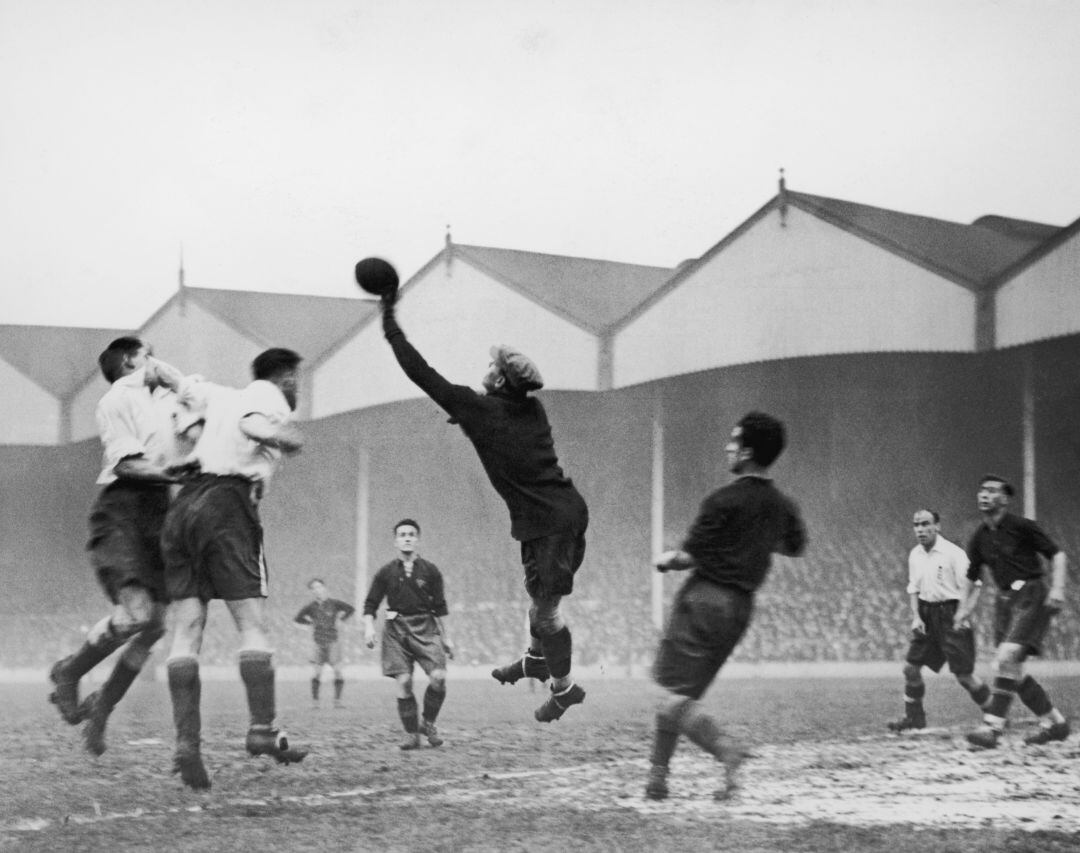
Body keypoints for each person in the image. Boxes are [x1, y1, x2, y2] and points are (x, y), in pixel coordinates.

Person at [378, 289, 589, 723]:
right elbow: (499, 422)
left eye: (492, 367)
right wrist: (470, 412)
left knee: (547, 614)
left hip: (550, 522)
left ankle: (564, 690)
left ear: (501, 381)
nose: (486, 370)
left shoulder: (482, 411)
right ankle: (534, 661)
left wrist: (390, 325)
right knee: (538, 605)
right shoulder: (531, 410)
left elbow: (423, 374)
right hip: (553, 516)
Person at [160, 347, 308, 790]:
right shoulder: (268, 399)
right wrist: (285, 437)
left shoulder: (218, 394)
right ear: (284, 378)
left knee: (187, 629)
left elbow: (175, 380)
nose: (297, 387)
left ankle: (187, 743)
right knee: (251, 624)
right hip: (226, 505)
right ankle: (262, 730)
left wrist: (152, 369)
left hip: (184, 506)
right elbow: (252, 424)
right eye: (296, 379)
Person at [646, 412, 806, 802]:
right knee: (682, 697)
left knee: (670, 696)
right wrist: (755, 542)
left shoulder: (722, 500)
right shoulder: (783, 506)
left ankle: (726, 750)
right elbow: (794, 546)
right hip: (739, 609)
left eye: (734, 441)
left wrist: (666, 560)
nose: (727, 447)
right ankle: (657, 779)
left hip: (704, 599)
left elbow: (687, 558)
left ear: (748, 452)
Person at [47, 337, 187, 757]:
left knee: (157, 624)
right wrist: (180, 472)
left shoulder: (165, 398)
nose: (159, 360)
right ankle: (69, 674)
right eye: (150, 353)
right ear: (130, 360)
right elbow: (128, 464)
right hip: (123, 508)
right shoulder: (117, 399)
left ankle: (102, 710)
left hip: (159, 511)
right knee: (135, 616)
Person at [961, 474, 1071, 749]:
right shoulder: (979, 537)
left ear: (1005, 499)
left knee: (1007, 656)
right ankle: (1055, 723)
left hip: (1031, 592)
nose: (984, 495)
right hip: (1004, 600)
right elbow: (973, 577)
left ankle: (993, 727)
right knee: (1011, 670)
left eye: (991, 491)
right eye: (981, 490)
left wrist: (1057, 588)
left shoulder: (1022, 526)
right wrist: (963, 609)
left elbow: (1056, 554)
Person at [887, 509, 991, 732]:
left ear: (937, 526)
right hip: (927, 614)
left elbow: (976, 586)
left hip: (951, 613)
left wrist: (964, 613)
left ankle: (995, 715)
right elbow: (913, 589)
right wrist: (916, 616)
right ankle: (914, 719)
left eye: (925, 524)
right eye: (916, 525)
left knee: (964, 675)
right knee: (910, 669)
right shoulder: (914, 554)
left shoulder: (953, 553)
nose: (920, 529)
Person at [363, 519, 453, 749]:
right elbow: (371, 604)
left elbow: (441, 606)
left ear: (417, 539)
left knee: (439, 677)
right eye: (402, 534)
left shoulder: (431, 571)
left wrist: (447, 637)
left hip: (426, 626)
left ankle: (428, 723)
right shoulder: (385, 572)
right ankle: (411, 734)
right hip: (396, 629)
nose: (407, 538)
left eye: (411, 534)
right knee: (404, 681)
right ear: (395, 541)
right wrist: (369, 628)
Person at [294, 578, 355, 708]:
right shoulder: (310, 607)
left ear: (324, 588)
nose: (317, 590)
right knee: (317, 672)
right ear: (312, 591)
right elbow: (298, 619)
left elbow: (350, 609)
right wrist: (310, 623)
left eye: (319, 587)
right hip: (318, 642)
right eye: (314, 588)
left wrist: (342, 619)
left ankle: (337, 702)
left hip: (333, 640)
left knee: (338, 671)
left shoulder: (334, 603)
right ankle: (315, 703)